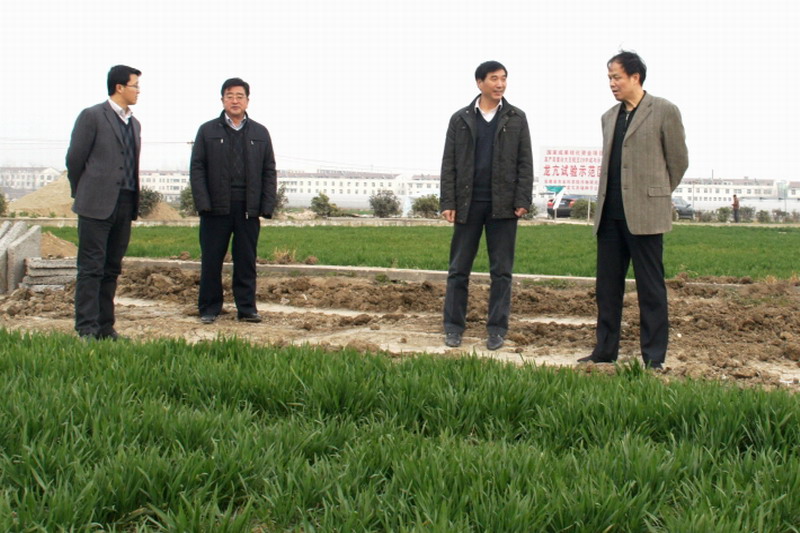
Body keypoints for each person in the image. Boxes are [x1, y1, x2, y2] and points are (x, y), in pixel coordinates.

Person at [578, 51, 688, 370]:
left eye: (617, 77)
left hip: (646, 215)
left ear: (635, 77)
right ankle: (604, 351)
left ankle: (653, 357)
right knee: (607, 288)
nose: (612, 83)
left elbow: (678, 161)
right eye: (609, 78)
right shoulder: (609, 117)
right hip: (609, 216)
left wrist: (656, 193)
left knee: (650, 289)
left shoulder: (664, 110)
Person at [439, 60, 533, 351]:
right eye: (494, 78)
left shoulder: (516, 118)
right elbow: (449, 163)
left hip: (503, 205)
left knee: (501, 272)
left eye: (503, 78)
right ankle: (453, 326)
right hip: (467, 204)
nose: (500, 84)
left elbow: (525, 162)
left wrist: (522, 199)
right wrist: (448, 201)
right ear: (479, 83)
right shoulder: (460, 119)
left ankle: (497, 329)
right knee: (458, 269)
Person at [190, 78, 277, 324]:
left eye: (240, 96)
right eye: (229, 96)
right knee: (211, 259)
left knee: (246, 260)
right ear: (222, 100)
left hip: (248, 207)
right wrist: (203, 203)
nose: (235, 101)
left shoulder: (260, 133)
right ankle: (209, 308)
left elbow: (269, 170)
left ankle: (247, 308)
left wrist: (266, 205)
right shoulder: (207, 131)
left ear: (247, 100)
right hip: (215, 208)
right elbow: (197, 168)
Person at [66, 65, 142, 340]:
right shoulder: (93, 116)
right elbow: (75, 159)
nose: (138, 91)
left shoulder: (134, 124)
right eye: (135, 85)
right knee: (91, 268)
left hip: (125, 202)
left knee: (111, 268)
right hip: (95, 204)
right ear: (119, 87)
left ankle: (105, 327)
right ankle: (86, 328)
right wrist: (84, 191)